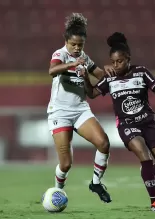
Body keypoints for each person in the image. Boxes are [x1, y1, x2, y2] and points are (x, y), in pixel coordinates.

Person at [79, 32, 155, 211]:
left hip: (148, 122)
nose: (116, 65)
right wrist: (85, 77)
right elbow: (91, 94)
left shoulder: (141, 72)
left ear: (128, 58)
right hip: (127, 125)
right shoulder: (110, 77)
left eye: (119, 61)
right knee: (144, 157)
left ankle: (147, 174)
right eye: (113, 62)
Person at [47, 13, 113, 203]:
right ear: (66, 41)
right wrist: (72, 64)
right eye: (73, 44)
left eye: (80, 45)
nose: (76, 48)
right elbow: (52, 70)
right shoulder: (60, 54)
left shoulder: (84, 57)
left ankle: (96, 182)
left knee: (103, 143)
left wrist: (110, 73)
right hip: (60, 112)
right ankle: (58, 192)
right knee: (66, 164)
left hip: (81, 110)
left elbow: (99, 74)